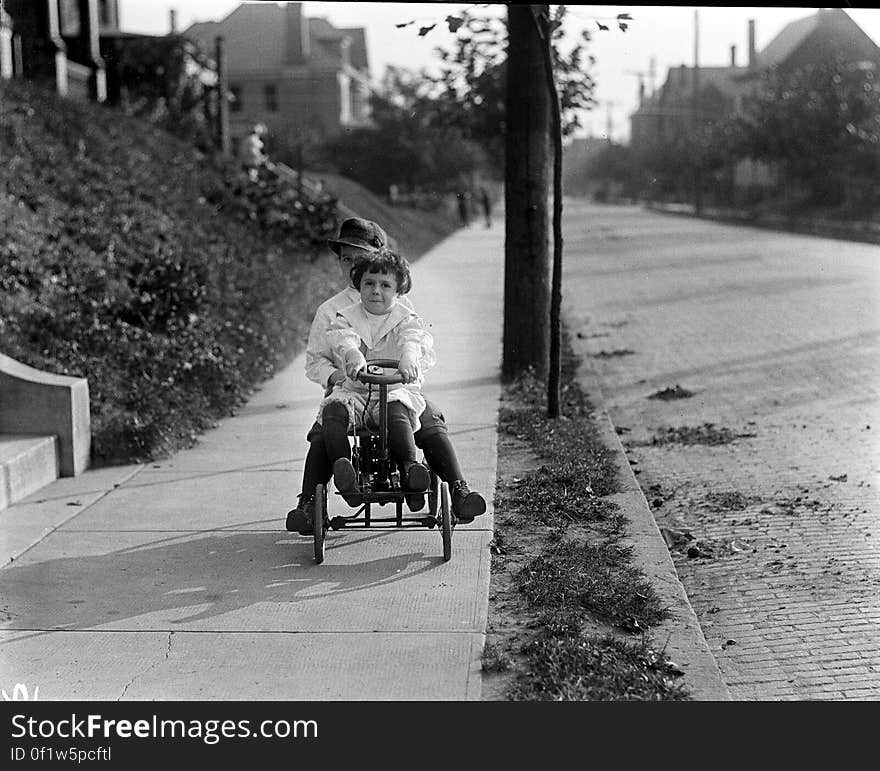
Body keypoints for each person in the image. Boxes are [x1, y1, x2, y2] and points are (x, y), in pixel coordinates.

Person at [286, 217, 486, 535]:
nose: (353, 266)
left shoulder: (399, 305)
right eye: (346, 259)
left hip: (395, 393)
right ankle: (309, 503)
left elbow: (419, 345)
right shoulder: (331, 311)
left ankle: (457, 489)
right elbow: (315, 361)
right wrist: (335, 375)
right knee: (324, 432)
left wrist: (409, 365)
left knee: (429, 421)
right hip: (349, 391)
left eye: (360, 258)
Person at [319, 249, 434, 509]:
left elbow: (412, 338)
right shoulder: (347, 316)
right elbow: (343, 338)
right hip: (356, 392)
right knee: (334, 411)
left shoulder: (404, 318)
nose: (375, 291)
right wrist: (352, 355)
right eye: (369, 283)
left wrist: (408, 357)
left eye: (385, 285)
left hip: (393, 390)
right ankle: (343, 470)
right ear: (359, 285)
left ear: (398, 290)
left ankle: (409, 469)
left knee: (396, 412)